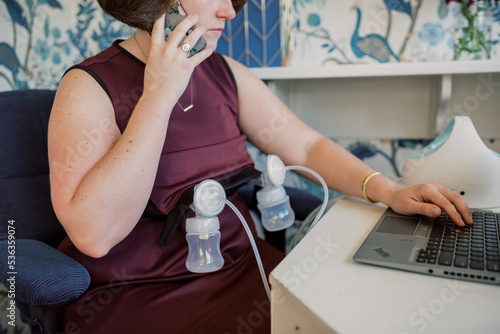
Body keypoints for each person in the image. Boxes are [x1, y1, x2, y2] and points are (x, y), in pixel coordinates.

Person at [47, 0, 472, 332]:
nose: (230, 11)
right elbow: (95, 234)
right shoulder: (87, 86)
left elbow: (305, 148)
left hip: (241, 269)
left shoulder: (223, 72)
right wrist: (158, 94)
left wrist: (390, 190)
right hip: (140, 294)